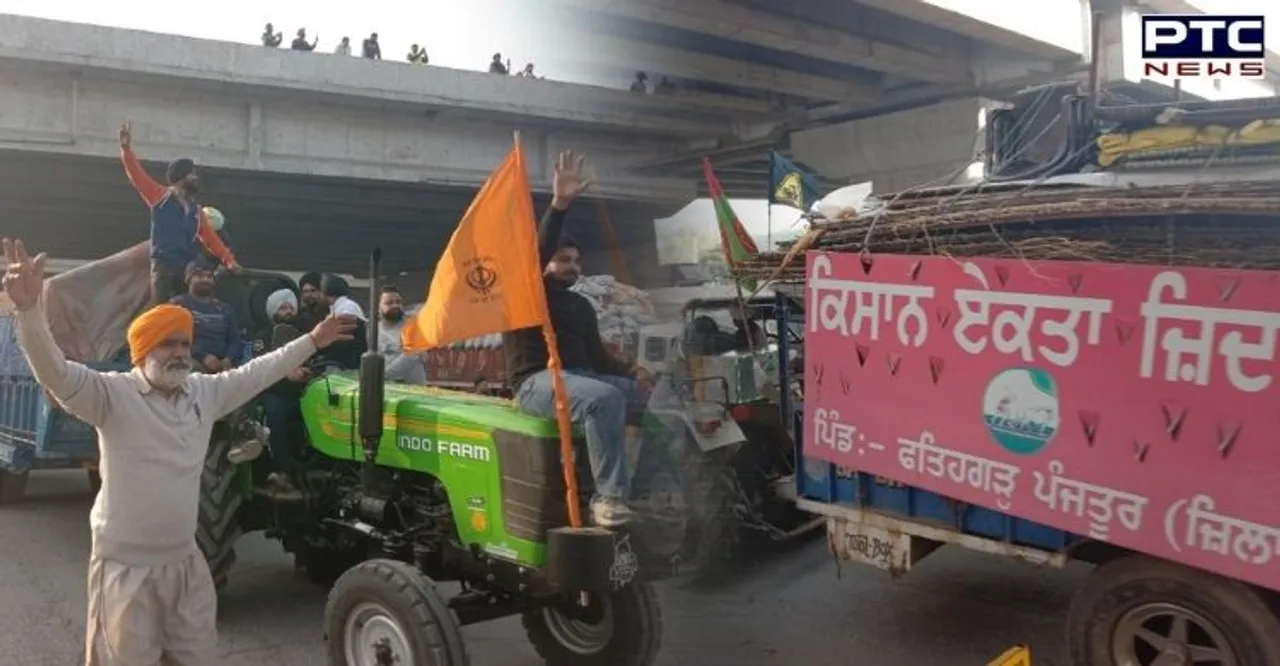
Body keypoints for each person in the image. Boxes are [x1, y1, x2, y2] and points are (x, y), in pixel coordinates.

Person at [1, 237, 355, 666]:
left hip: (186, 566)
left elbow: (258, 372)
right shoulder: (111, 395)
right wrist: (28, 310)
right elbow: (54, 372)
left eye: (185, 344)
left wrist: (313, 341)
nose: (180, 353)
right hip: (125, 570)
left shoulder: (203, 393)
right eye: (168, 344)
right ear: (142, 351)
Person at [503, 152, 652, 527]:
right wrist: (559, 205)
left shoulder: (581, 305)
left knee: (658, 399)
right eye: (563, 260)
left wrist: (633, 370)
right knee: (605, 399)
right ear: (546, 264)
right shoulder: (527, 293)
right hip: (537, 382)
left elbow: (598, 359)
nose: (572, 267)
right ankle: (608, 499)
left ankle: (653, 487)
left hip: (582, 376)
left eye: (576, 261)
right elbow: (537, 250)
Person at [117, 122, 242, 305]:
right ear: (181, 177)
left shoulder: (196, 211)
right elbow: (137, 175)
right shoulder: (159, 196)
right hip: (164, 266)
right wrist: (126, 150)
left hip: (186, 269)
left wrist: (229, 261)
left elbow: (211, 240)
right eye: (192, 174)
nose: (196, 178)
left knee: (185, 309)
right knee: (161, 308)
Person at [258, 288, 311, 499]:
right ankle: (281, 469)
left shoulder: (304, 336)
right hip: (272, 391)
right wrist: (285, 374)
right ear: (273, 310)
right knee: (276, 415)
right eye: (283, 307)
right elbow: (258, 367)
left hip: (300, 391)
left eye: (291, 307)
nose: (288, 311)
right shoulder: (263, 336)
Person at [171, 260, 241, 374]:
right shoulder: (178, 304)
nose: (205, 279)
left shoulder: (225, 309)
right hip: (190, 359)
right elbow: (173, 337)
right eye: (199, 276)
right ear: (188, 279)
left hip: (223, 364)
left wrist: (228, 359)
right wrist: (202, 356)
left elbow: (234, 340)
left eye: (209, 276)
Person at [376, 285, 425, 384]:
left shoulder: (413, 325)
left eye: (398, 302)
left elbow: (411, 356)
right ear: (378, 307)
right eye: (389, 303)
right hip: (384, 389)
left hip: (410, 390)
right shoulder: (372, 330)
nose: (395, 305)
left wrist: (381, 376)